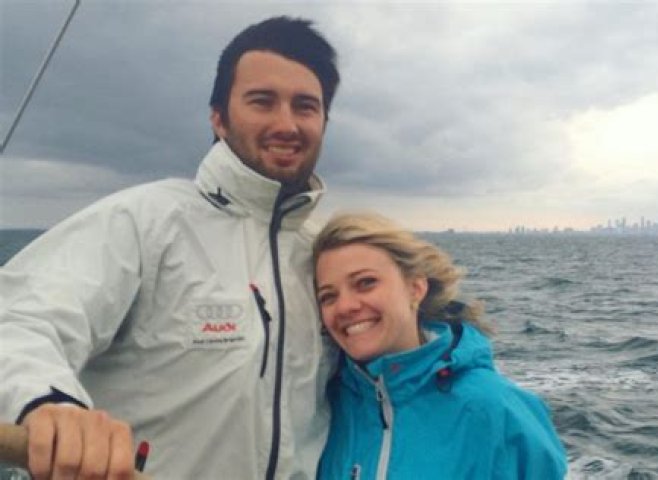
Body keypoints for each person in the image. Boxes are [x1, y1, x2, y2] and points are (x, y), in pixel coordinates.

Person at [0, 16, 340, 479]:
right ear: (218, 118)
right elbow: (20, 317)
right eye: (262, 101)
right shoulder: (145, 221)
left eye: (305, 106)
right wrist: (49, 402)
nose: (286, 123)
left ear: (323, 121)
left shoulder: (323, 256)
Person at [313, 212, 568, 479]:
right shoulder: (320, 409)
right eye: (328, 296)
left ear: (415, 288)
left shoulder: (498, 412)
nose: (345, 306)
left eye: (366, 283)